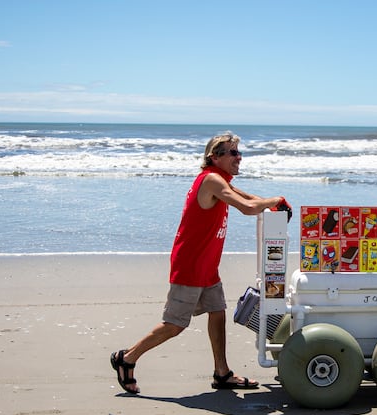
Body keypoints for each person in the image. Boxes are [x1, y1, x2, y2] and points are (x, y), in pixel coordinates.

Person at [110, 132, 290, 394]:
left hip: (207, 266)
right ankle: (126, 358)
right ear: (214, 157)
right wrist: (276, 201)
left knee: (217, 312)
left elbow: (251, 200)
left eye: (240, 153)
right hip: (191, 266)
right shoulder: (212, 181)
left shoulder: (222, 180)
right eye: (232, 153)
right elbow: (248, 208)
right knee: (175, 324)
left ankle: (222, 373)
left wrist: (273, 202)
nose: (238, 158)